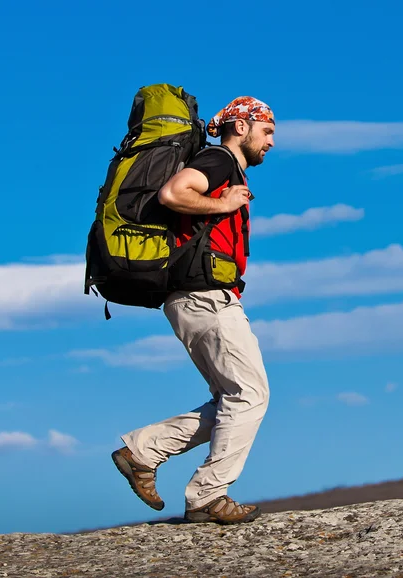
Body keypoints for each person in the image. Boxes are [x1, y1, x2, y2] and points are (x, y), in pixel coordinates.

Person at [111, 97, 275, 525]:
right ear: (241, 126)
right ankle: (207, 494)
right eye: (268, 131)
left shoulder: (221, 164)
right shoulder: (218, 160)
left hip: (194, 298)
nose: (271, 142)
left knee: (232, 399)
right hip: (205, 297)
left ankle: (142, 452)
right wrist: (223, 205)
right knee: (250, 395)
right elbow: (173, 193)